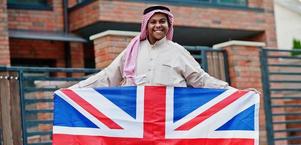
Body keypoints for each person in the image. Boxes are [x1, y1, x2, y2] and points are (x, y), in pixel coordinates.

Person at [70, 5, 230, 89]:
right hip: (138, 122)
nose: (158, 25)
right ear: (146, 25)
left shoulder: (178, 51)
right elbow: (107, 77)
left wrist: (232, 91)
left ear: (169, 25)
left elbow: (200, 80)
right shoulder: (132, 51)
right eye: (153, 22)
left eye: (162, 21)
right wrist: (75, 89)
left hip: (170, 123)